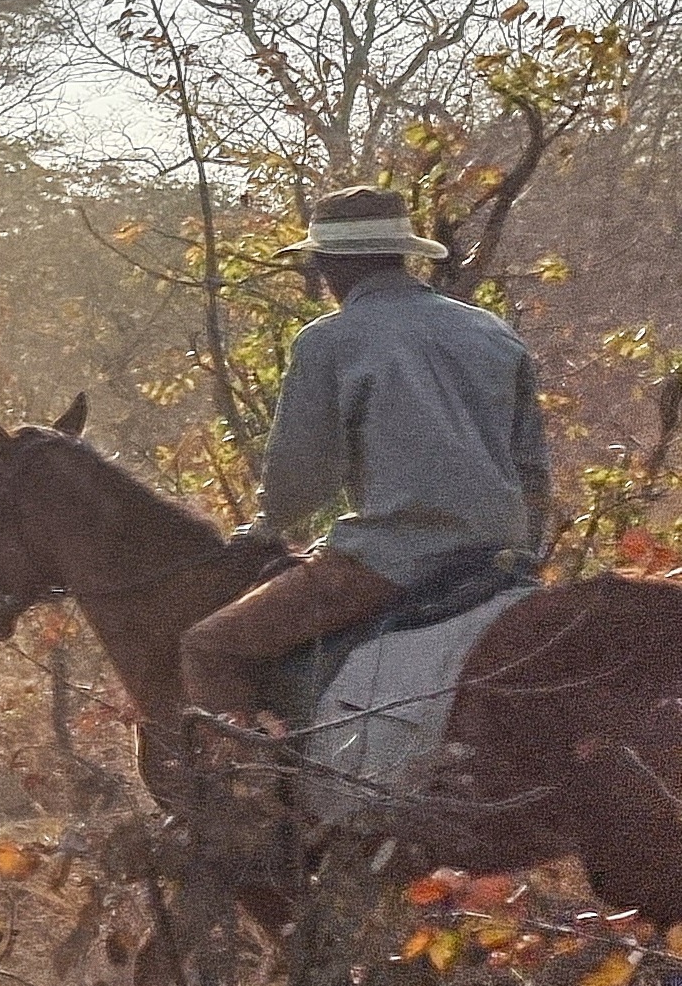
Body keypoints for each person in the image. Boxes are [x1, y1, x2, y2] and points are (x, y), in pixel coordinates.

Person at [180, 186, 552, 739]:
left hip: (390, 562)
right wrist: (526, 553)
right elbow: (533, 469)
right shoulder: (491, 331)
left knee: (209, 645)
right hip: (497, 559)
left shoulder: (328, 341)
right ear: (403, 253)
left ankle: (247, 797)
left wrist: (267, 529)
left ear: (330, 266)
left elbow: (300, 478)